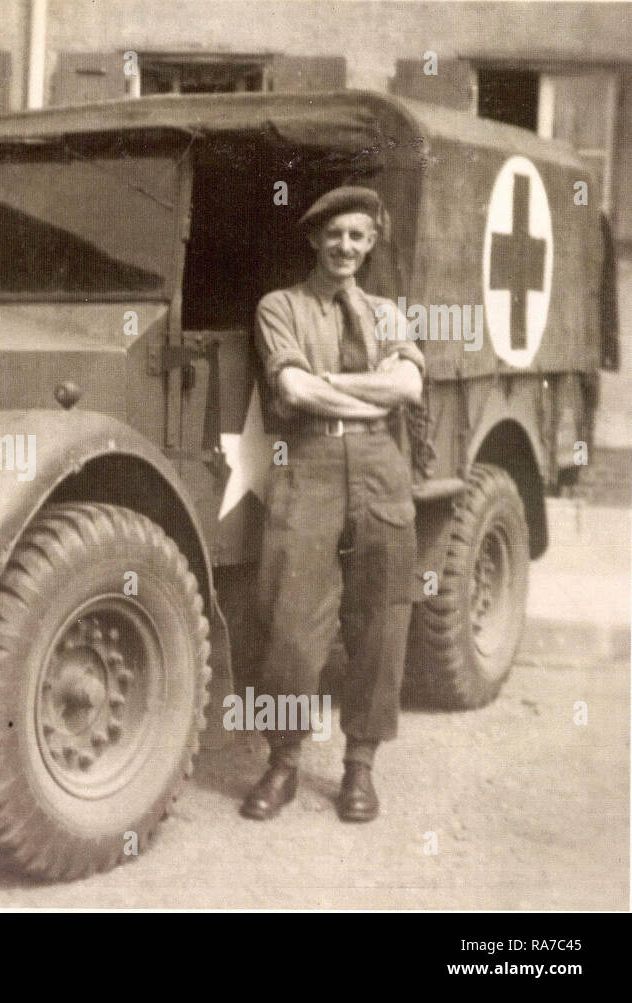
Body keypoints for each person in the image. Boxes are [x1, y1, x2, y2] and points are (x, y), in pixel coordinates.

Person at [240, 186, 424, 823]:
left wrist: (334, 384)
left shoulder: (389, 316)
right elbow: (293, 388)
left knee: (380, 619)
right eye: (334, 235)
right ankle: (283, 763)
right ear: (314, 240)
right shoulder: (280, 307)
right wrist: (369, 393)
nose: (346, 247)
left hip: (380, 464)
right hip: (311, 462)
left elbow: (409, 384)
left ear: (370, 245)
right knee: (292, 618)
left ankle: (360, 767)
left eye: (358, 236)